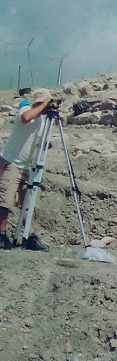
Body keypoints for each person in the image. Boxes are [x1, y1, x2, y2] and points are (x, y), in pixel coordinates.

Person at [0, 88, 53, 251]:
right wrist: (43, 104)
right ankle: (1, 235)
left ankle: (29, 236)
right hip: (11, 162)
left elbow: (41, 141)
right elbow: (25, 118)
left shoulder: (43, 121)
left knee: (26, 202)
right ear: (39, 102)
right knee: (5, 201)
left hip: (26, 166)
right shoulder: (25, 109)